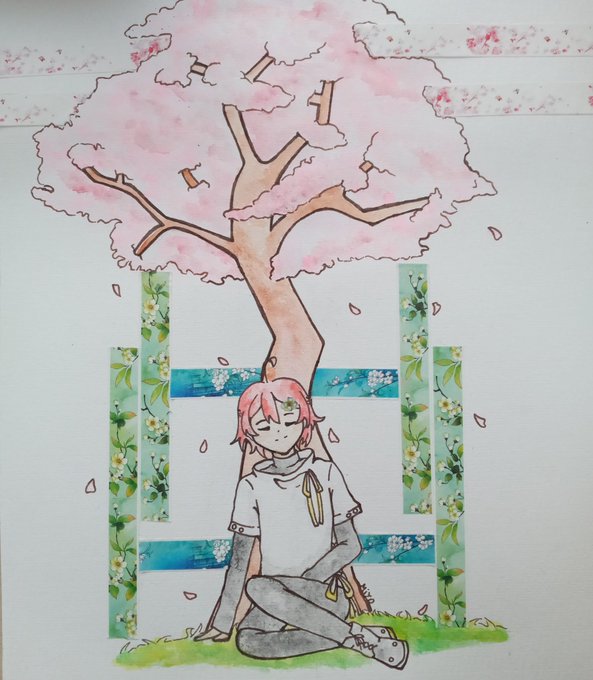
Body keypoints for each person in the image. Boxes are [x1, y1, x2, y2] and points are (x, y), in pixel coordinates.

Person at [195, 377, 409, 669]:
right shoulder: (251, 485)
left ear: (304, 422)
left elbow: (350, 544)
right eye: (265, 426)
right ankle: (359, 637)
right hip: (274, 598)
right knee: (248, 640)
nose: (279, 432)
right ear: (251, 435)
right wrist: (222, 622)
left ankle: (351, 635)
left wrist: (307, 580)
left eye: (289, 422)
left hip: (324, 592)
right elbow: (240, 561)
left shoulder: (326, 472)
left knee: (257, 588)